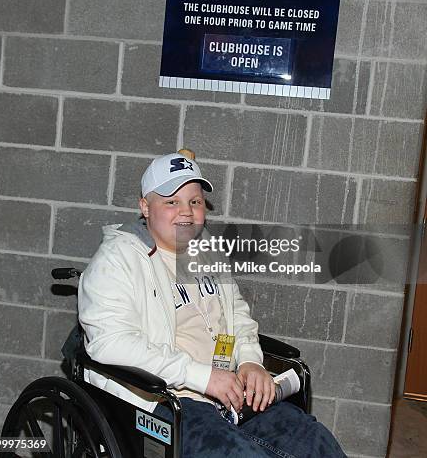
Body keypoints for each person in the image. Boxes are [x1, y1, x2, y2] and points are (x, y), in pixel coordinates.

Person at [78, 151, 346, 458]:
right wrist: (201, 377)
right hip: (166, 401)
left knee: (315, 441)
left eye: (195, 201)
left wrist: (250, 361)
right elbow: (110, 344)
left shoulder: (207, 251)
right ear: (145, 207)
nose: (186, 212)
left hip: (228, 391)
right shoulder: (117, 260)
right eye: (171, 201)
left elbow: (237, 317)